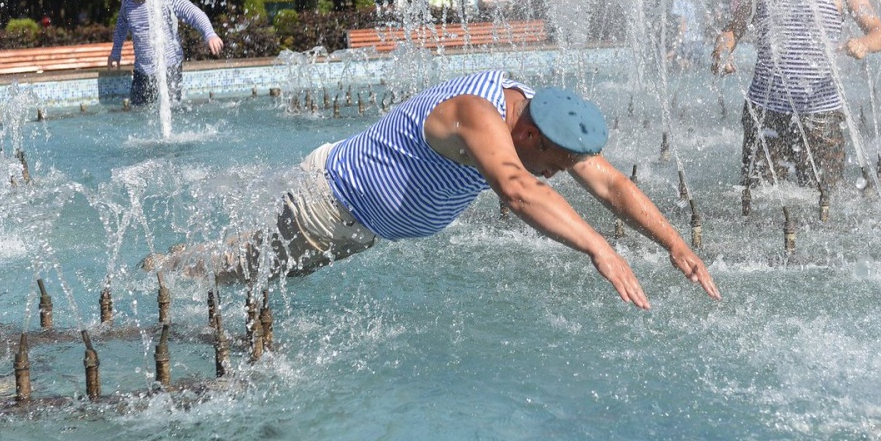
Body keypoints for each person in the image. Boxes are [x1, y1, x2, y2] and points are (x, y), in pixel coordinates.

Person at [145, 70, 721, 311]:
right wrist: (601, 248)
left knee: (252, 261)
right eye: (551, 163)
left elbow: (612, 183)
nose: (552, 174)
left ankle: (178, 265)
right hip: (326, 208)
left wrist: (674, 243)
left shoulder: (536, 120)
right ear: (528, 132)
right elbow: (518, 190)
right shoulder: (477, 113)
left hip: (353, 221)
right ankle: (168, 270)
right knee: (247, 268)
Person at [711, 0, 881, 189]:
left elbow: (880, 32)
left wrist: (863, 44)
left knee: (824, 199)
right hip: (766, 110)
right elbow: (732, 31)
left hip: (821, 113)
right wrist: (722, 52)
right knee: (759, 196)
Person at [107, 0, 224, 105]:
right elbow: (121, 25)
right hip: (142, 70)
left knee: (172, 110)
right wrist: (115, 53)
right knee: (138, 113)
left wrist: (209, 34)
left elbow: (194, 13)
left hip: (169, 67)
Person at [669, 0, 707, 68]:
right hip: (699, 41)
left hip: (686, 42)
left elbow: (682, 24)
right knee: (696, 71)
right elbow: (706, 17)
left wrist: (675, 48)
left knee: (681, 70)